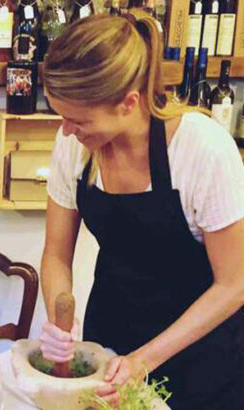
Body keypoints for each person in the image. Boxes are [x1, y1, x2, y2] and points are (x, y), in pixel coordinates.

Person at [38, 11, 244, 410]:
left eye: (78, 119)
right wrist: (59, 324)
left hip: (200, 358)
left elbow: (234, 284)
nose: (66, 130)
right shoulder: (74, 147)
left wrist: (144, 360)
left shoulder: (202, 150)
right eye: (61, 116)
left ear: (128, 103)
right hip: (112, 343)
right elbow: (56, 254)